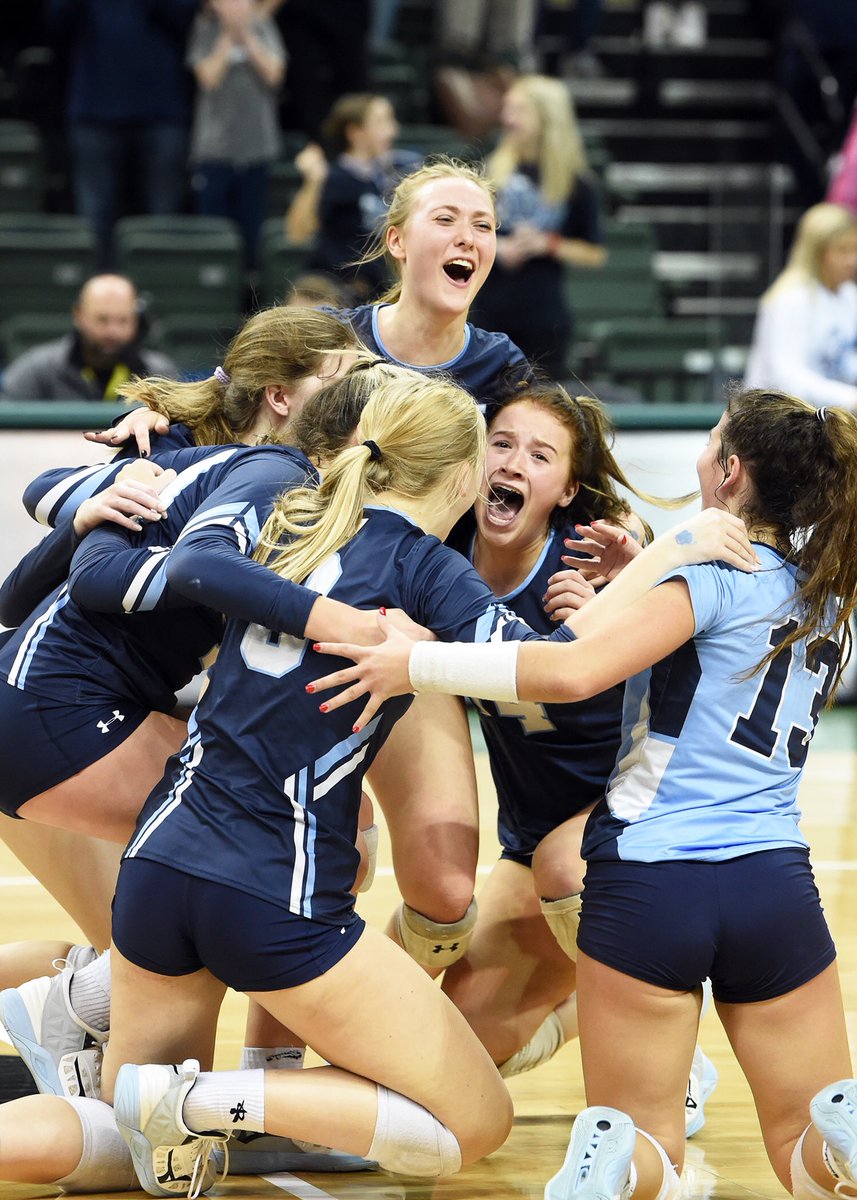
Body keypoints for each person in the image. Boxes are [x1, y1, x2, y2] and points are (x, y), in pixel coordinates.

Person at [308, 386, 857, 1200]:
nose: (702, 454)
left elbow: (564, 671)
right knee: (796, 1146)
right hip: (771, 881)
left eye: (711, 440)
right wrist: (639, 577)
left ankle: (615, 1158)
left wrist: (411, 665)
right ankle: (841, 1132)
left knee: (650, 1144)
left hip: (648, 879)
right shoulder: (826, 594)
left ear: (730, 471)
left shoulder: (700, 573)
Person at [44, 0, 197, 270]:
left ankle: (159, 293)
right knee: (94, 220)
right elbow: (56, 21)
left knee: (161, 221)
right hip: (94, 109)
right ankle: (101, 303)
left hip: (162, 109)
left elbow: (185, 16)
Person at [473, 74, 606, 378]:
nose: (507, 118)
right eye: (507, 109)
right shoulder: (489, 169)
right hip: (489, 309)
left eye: (518, 110)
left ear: (545, 117)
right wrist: (497, 245)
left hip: (544, 316)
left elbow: (595, 253)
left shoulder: (576, 182)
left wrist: (549, 244)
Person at [285, 93, 420, 301]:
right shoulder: (334, 179)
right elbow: (297, 232)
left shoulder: (388, 177)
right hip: (336, 293)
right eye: (381, 121)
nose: (393, 130)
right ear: (355, 132)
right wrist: (313, 183)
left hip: (376, 291)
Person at [187, 0, 287, 272]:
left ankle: (248, 290)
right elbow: (208, 76)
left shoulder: (264, 26)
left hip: (257, 148)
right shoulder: (205, 29)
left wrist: (247, 37)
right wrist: (228, 37)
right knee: (214, 230)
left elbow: (274, 74)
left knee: (252, 230)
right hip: (214, 149)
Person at [744, 202, 857, 410]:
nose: (852, 260)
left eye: (854, 250)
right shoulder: (790, 298)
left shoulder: (849, 295)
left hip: (829, 421)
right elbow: (787, 379)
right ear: (818, 252)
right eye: (843, 251)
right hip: (775, 424)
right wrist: (849, 398)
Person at [0, 275, 178, 402]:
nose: (112, 331)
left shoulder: (158, 374)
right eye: (102, 319)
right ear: (79, 315)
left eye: (123, 320)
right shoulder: (36, 370)